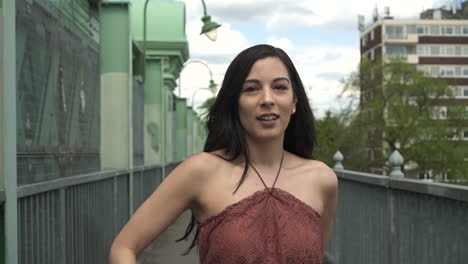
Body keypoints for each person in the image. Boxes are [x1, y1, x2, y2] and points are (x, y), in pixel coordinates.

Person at [109, 44, 338, 264]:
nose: (267, 99)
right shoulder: (201, 172)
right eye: (251, 89)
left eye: (279, 87)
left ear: (294, 101)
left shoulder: (322, 180)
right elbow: (124, 248)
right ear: (234, 103)